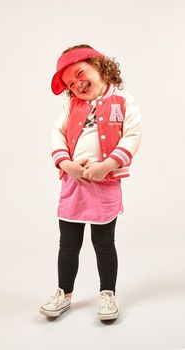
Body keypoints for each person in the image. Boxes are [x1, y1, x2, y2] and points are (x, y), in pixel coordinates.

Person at [39, 44, 142, 321]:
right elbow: (56, 135)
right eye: (70, 83)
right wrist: (66, 164)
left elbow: (132, 136)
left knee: (104, 243)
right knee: (68, 244)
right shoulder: (71, 107)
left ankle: (107, 293)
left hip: (105, 184)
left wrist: (107, 166)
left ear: (99, 65)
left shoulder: (123, 103)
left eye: (80, 73)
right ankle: (64, 292)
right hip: (74, 184)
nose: (77, 84)